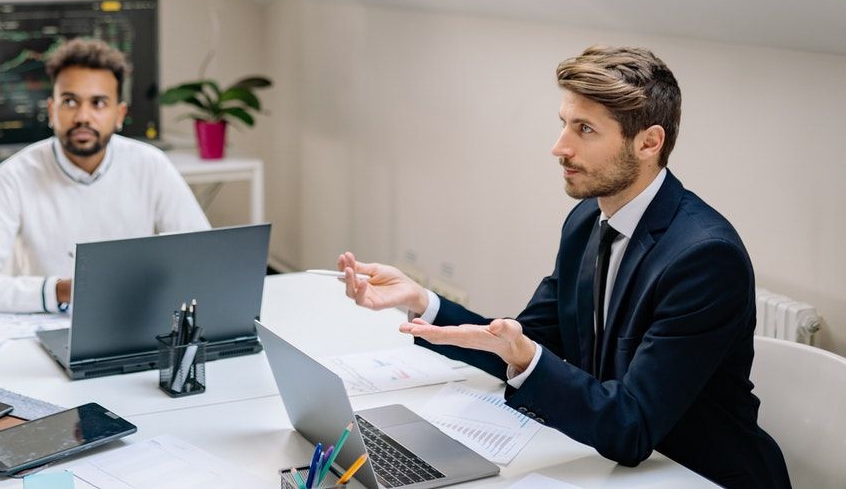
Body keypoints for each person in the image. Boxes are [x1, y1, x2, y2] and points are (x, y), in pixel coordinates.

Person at [338, 46, 789, 489]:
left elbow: (632, 426)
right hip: (619, 463)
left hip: (697, 472)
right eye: (564, 125)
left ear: (649, 142)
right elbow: (528, 339)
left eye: (585, 129)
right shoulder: (586, 221)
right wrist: (423, 301)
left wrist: (524, 357)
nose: (559, 147)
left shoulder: (704, 258)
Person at [0, 37, 210, 313]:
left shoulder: (151, 165)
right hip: (40, 322)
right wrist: (61, 290)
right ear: (52, 110)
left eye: (98, 103)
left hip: (129, 318)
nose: (83, 116)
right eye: (70, 101)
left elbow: (203, 256)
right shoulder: (15, 175)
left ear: (119, 114)